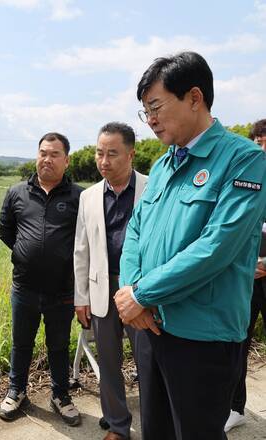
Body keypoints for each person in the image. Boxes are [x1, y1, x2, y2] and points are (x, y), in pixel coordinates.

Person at [114, 51, 266, 440]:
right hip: (152, 326)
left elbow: (217, 247)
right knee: (157, 432)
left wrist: (142, 293)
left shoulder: (244, 159)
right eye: (144, 110)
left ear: (194, 97)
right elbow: (136, 231)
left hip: (202, 336)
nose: (149, 119)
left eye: (156, 106)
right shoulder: (165, 164)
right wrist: (131, 294)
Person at [0, 132, 83, 426]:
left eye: (55, 154)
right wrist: (26, 253)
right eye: (43, 153)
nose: (47, 159)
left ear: (66, 160)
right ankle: (17, 391)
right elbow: (5, 231)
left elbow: (84, 240)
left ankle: (61, 395)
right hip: (25, 287)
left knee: (58, 345)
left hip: (63, 290)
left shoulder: (79, 197)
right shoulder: (17, 192)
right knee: (21, 343)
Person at [74, 122, 148, 440]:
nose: (104, 161)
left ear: (131, 154)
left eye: (112, 154)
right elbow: (81, 249)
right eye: (99, 153)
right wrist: (81, 296)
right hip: (102, 290)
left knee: (149, 361)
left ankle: (157, 423)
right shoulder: (89, 196)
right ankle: (118, 426)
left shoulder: (153, 187)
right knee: (108, 363)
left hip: (142, 291)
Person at [225, 118, 266, 432]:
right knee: (239, 343)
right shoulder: (244, 183)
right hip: (247, 280)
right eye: (259, 143)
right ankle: (234, 407)